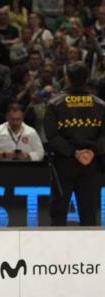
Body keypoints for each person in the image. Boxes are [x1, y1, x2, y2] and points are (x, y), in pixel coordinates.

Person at [44, 62, 105, 226]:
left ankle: (58, 251)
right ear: (86, 79)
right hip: (91, 164)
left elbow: (52, 136)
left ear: (67, 79)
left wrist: (74, 152)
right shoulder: (100, 104)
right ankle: (89, 252)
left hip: (64, 164)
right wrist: (92, 152)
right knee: (88, 213)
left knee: (59, 213)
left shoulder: (54, 103)